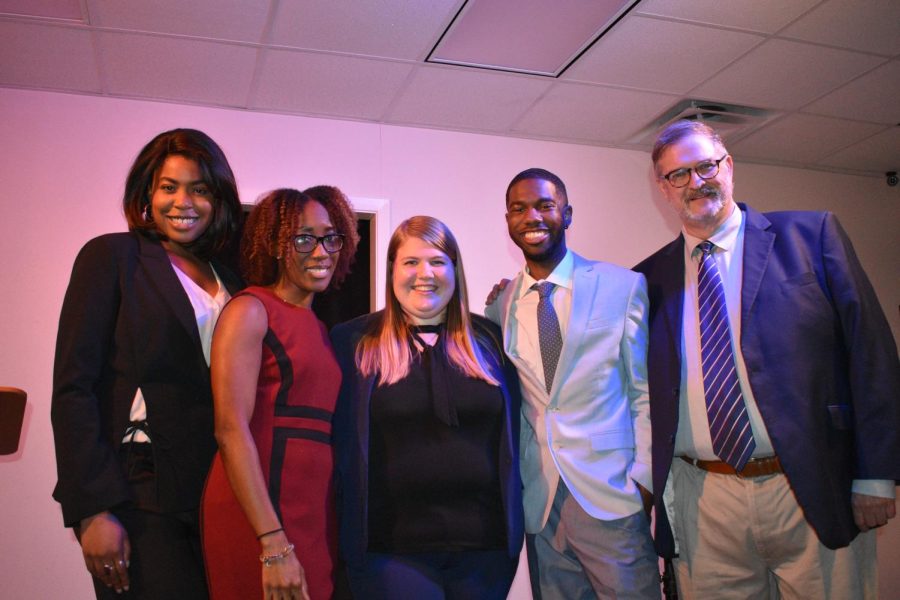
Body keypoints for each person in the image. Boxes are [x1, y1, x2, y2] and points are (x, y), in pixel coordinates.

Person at [634, 119, 900, 599]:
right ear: (664, 190)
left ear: (728, 166)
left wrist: (876, 474)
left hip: (810, 482)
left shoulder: (810, 236)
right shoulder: (647, 281)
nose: (696, 182)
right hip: (704, 497)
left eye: (705, 166)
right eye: (679, 175)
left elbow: (872, 355)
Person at [51, 128, 244, 598]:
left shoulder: (233, 277)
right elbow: (74, 388)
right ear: (147, 194)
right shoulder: (113, 257)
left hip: (218, 490)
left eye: (200, 189)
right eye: (169, 187)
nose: (184, 202)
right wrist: (93, 510)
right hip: (141, 487)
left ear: (218, 199)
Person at [484, 168, 659, 599]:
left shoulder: (622, 286)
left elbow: (644, 391)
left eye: (545, 205)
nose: (532, 217)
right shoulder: (499, 306)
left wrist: (643, 480)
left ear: (567, 213)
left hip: (610, 494)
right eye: (519, 209)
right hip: (540, 502)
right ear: (507, 220)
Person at [330, 216, 524, 599]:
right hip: (391, 551)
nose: (426, 274)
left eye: (438, 261)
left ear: (454, 269)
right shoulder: (353, 341)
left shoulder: (490, 340)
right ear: (392, 271)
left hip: (485, 550)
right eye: (411, 262)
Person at [201, 186, 359, 600]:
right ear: (273, 244)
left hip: (311, 511)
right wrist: (272, 543)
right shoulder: (250, 310)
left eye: (331, 237)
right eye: (303, 238)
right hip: (258, 514)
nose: (322, 250)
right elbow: (230, 429)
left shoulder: (321, 330)